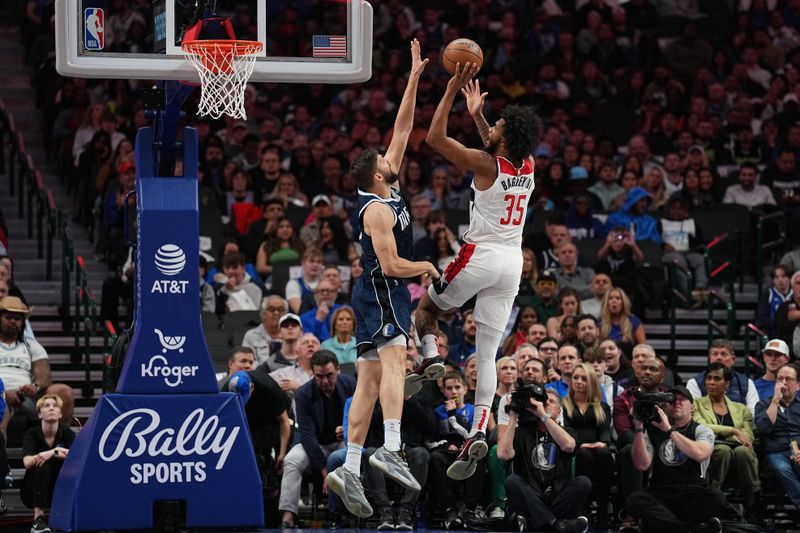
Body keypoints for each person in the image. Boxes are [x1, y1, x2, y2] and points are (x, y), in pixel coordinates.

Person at [416, 63, 543, 481]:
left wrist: (453, 89)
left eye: (500, 123)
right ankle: (476, 431)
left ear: (504, 135)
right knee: (486, 353)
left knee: (427, 313)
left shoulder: (487, 165)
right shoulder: (528, 165)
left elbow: (435, 138)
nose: (495, 125)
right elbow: (495, 142)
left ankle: (430, 360)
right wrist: (477, 115)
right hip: (512, 264)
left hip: (480, 254)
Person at [328, 40, 438, 519]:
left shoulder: (386, 186)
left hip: (378, 293)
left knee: (368, 383)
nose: (391, 157)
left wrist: (414, 78)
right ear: (375, 176)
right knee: (395, 365)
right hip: (382, 290)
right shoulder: (375, 208)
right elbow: (393, 266)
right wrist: (429, 267)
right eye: (382, 161)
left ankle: (351, 465)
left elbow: (404, 126)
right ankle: (390, 448)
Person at [626, 385, 727, 533]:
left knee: (717, 499)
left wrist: (669, 430)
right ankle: (690, 529)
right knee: (634, 500)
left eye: (682, 399)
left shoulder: (701, 430)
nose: (676, 402)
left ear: (692, 408)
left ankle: (664, 525)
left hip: (692, 493)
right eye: (672, 399)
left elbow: (700, 454)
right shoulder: (653, 429)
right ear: (665, 405)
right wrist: (639, 428)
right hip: (661, 493)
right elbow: (642, 465)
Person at [497, 387, 590, 533]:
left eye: (551, 402)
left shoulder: (566, 431)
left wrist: (543, 415)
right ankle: (557, 525)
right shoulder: (522, 431)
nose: (546, 404)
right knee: (512, 481)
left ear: (559, 411)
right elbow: (503, 454)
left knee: (583, 482)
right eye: (543, 401)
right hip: (531, 495)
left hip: (558, 496)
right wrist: (513, 416)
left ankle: (536, 522)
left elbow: (568, 446)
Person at [278, 351, 355, 528]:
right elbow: (307, 436)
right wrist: (324, 472)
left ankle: (343, 513)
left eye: (330, 375)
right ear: (313, 373)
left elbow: (361, 416)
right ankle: (287, 516)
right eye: (319, 377)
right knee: (292, 461)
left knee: (343, 457)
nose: (325, 381)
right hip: (315, 443)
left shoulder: (351, 384)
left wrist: (348, 427)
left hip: (343, 441)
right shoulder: (303, 394)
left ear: (338, 369)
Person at [0, 297, 74, 436]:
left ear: (23, 322)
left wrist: (36, 386)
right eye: (8, 317)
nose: (13, 321)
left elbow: (45, 375)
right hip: (1, 394)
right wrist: (3, 393)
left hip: (25, 397)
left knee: (64, 392)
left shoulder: (31, 345)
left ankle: (61, 445)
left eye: (17, 318)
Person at [692, 362, 759, 514]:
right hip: (710, 452)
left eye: (717, 379)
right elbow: (701, 428)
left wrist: (719, 433)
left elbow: (748, 437)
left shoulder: (741, 409)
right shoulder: (696, 405)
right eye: (709, 378)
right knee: (722, 450)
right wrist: (733, 431)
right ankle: (713, 497)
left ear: (727, 384)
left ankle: (752, 500)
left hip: (738, 456)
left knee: (744, 451)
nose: (711, 382)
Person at [562, 363, 614, 528]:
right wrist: (579, 445)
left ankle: (603, 509)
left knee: (604, 455)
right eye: (575, 377)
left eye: (584, 378)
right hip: (575, 448)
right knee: (583, 455)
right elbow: (567, 429)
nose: (578, 381)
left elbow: (605, 429)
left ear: (591, 382)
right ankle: (583, 509)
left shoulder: (602, 406)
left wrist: (603, 442)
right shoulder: (565, 404)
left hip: (597, 448)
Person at [21, 395, 75, 533]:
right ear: (39, 414)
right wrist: (54, 453)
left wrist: (52, 452)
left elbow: (75, 458)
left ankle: (61, 517)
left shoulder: (67, 433)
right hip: (32, 492)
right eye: (46, 406)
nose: (51, 408)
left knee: (52, 460)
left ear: (60, 413)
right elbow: (27, 462)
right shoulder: (31, 433)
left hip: (56, 488)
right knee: (44, 463)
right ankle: (38, 519)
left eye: (55, 406)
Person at [754, 362, 800, 510]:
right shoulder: (763, 405)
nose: (784, 383)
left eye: (789, 379)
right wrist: (775, 400)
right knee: (782, 467)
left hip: (798, 453)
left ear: (798, 385)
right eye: (780, 379)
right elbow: (763, 428)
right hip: (775, 455)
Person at [686, 339, 759, 414]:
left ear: (733, 359)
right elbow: (693, 414)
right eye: (715, 354)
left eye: (724, 354)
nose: (719, 358)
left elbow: (753, 414)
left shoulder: (747, 383)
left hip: (740, 425)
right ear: (709, 358)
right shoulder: (695, 383)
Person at [242, 295, 287, 365]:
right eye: (272, 309)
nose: (276, 313)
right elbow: (246, 362)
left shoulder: (292, 334)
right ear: (263, 314)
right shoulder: (251, 336)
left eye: (280, 310)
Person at [757, 265, 792, 337]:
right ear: (773, 280)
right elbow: (762, 318)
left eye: (783, 276)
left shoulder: (795, 294)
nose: (780, 280)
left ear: (790, 278)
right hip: (774, 333)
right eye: (776, 277)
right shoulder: (768, 294)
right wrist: (780, 325)